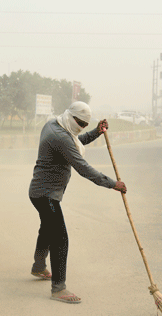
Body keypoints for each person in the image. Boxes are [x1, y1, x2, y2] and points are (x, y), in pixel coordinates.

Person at [28, 101, 127, 304]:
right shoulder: (59, 135)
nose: (81, 127)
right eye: (79, 123)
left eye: (85, 124)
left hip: (41, 192)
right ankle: (58, 288)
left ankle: (38, 267)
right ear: (71, 116)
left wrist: (95, 133)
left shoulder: (55, 124)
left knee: (47, 228)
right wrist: (112, 184)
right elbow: (82, 167)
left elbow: (74, 143)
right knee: (60, 237)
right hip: (46, 195)